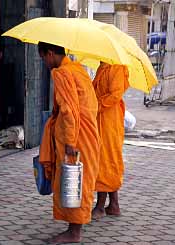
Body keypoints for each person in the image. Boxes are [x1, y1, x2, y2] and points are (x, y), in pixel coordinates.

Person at [38, 42, 100, 243]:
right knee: (81, 181)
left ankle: (74, 233)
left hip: (76, 137)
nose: (44, 63)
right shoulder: (77, 68)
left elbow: (69, 110)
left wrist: (71, 141)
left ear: (49, 53)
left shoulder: (63, 73)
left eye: (43, 58)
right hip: (88, 132)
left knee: (74, 182)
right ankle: (74, 228)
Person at [91, 62, 129, 220]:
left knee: (106, 160)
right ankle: (113, 205)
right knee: (105, 160)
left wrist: (97, 105)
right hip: (101, 118)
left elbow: (115, 94)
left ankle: (100, 206)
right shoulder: (103, 66)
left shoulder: (117, 67)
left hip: (109, 119)